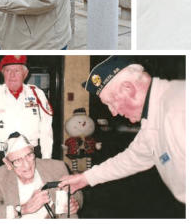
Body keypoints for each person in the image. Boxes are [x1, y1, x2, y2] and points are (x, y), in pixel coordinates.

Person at [58, 56, 185, 204]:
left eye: (111, 102)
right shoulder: (154, 115)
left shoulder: (178, 108)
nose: (113, 112)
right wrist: (85, 178)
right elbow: (133, 158)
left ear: (128, 89)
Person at [0, 55, 54, 183]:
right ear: (3, 73)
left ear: (25, 73)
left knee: (34, 197)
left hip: (32, 156)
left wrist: (46, 160)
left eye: (17, 71)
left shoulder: (37, 94)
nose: (12, 75)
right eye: (8, 71)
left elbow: (46, 131)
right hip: (0, 157)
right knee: (5, 200)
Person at [0, 132, 82, 219]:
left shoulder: (56, 167)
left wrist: (74, 202)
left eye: (29, 155)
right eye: (18, 160)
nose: (26, 165)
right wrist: (23, 209)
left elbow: (76, 192)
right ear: (8, 164)